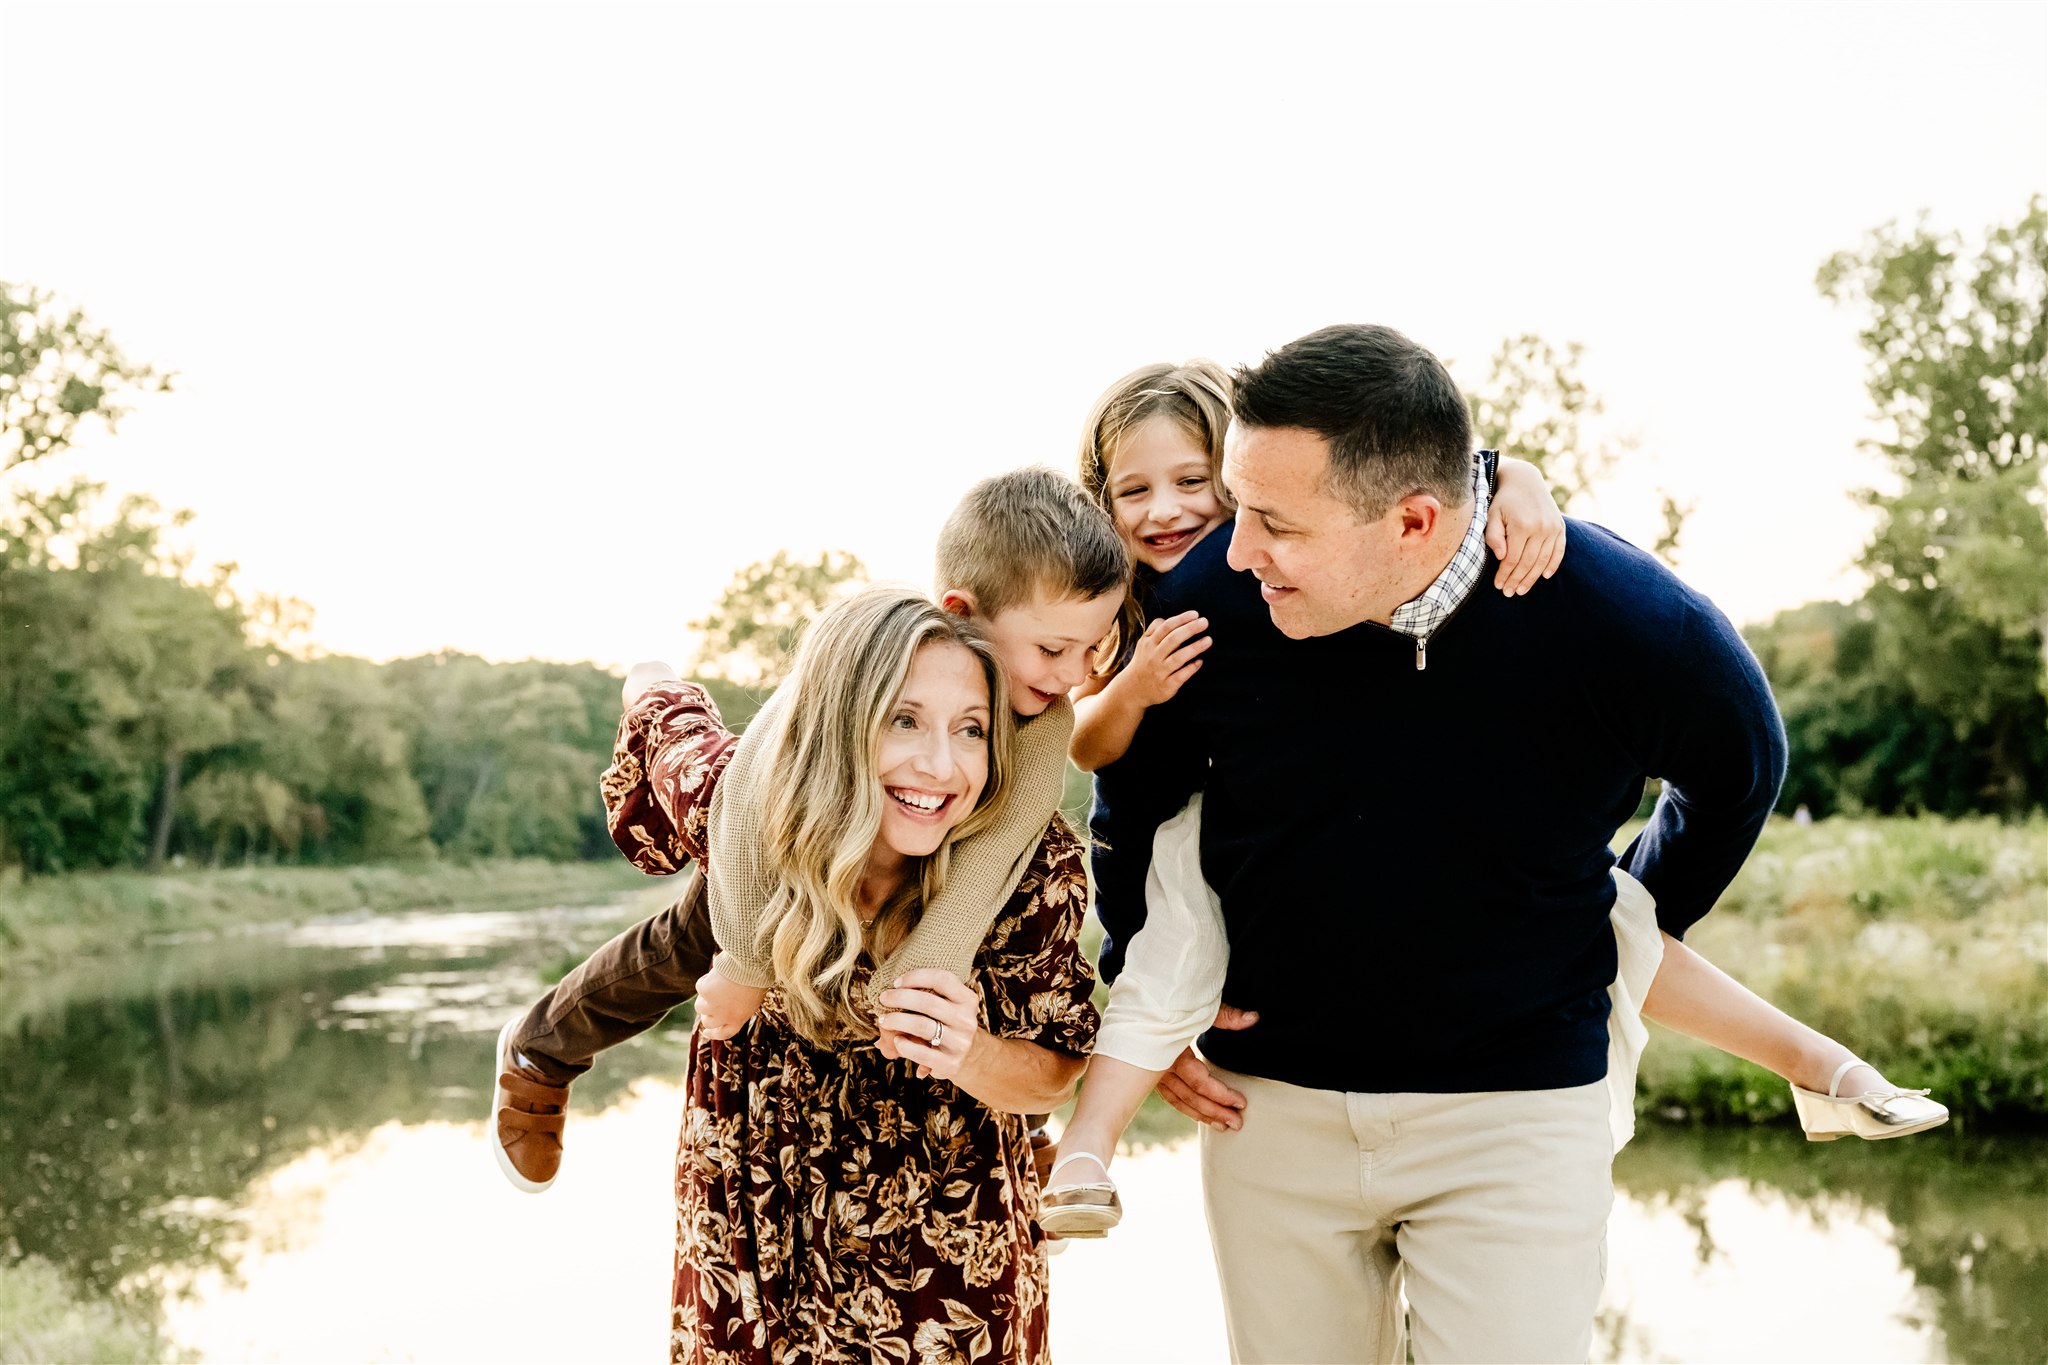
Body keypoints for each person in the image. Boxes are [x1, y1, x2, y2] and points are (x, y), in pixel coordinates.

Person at [1087, 326, 1941, 1363]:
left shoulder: (1622, 620)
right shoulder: (1210, 610)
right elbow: (1129, 799)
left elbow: (1738, 767)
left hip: (1517, 1112)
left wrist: (1633, 912)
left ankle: (1820, 1067)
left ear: (1411, 520)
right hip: (1264, 1115)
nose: (1237, 544)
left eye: (1270, 521)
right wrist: (1140, 976)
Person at [490, 468, 1126, 1194]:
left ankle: (1029, 1136)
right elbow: (746, 784)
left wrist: (940, 998)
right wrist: (744, 962)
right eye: (1052, 651)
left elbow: (986, 881)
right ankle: (541, 1049)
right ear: (962, 611)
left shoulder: (1041, 724)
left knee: (983, 939)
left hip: (944, 892)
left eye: (1093, 652)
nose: (1074, 675)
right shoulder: (840, 683)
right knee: (684, 937)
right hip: (759, 837)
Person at [607, 585, 1100, 1362]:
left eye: (970, 729)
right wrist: (650, 673)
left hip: (944, 1289)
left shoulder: (1031, 872)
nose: (940, 766)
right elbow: (671, 724)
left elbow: (1056, 1074)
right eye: (903, 719)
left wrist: (969, 1051)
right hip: (745, 1261)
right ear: (839, 726)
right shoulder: (744, 813)